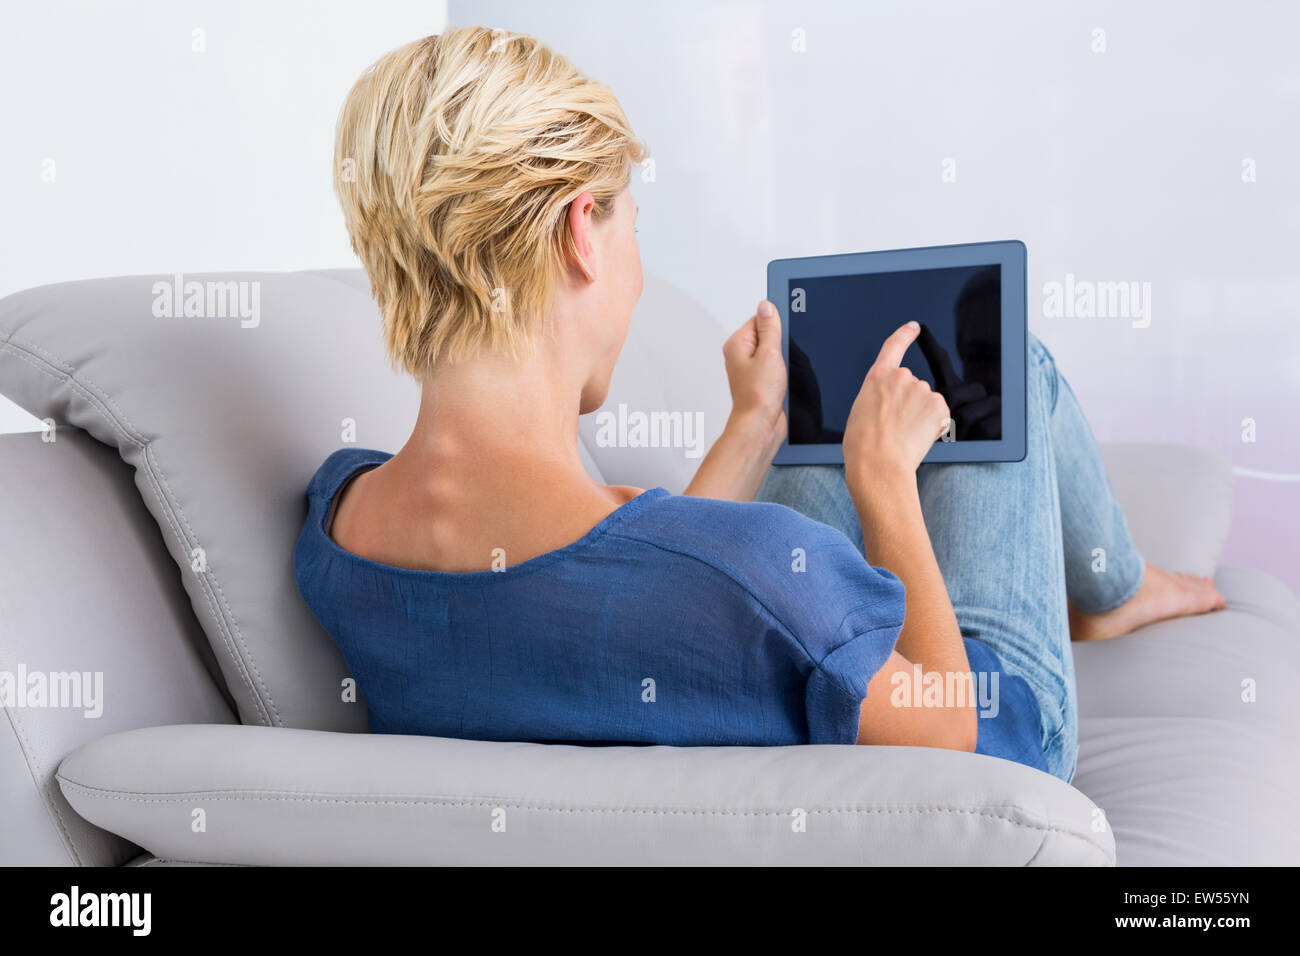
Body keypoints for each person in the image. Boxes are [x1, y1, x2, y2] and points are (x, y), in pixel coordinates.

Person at [294, 26, 1223, 781]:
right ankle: (1115, 588)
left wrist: (751, 429)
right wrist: (886, 487)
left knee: (810, 428)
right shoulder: (761, 576)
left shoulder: (335, 528)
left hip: (756, 632)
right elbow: (957, 742)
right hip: (989, 722)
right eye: (628, 222)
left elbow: (628, 584)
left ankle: (1109, 580)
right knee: (1010, 361)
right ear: (582, 231)